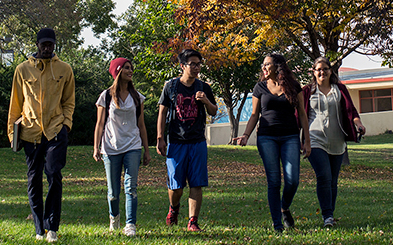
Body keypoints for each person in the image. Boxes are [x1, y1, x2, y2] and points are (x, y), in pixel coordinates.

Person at [7, 28, 75, 243]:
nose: (47, 48)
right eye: (43, 44)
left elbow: (69, 101)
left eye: (50, 44)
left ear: (55, 45)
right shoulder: (22, 70)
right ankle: (39, 228)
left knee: (54, 174)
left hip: (56, 131)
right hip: (30, 133)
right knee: (34, 180)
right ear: (37, 45)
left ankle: (52, 227)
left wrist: (66, 124)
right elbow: (15, 103)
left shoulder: (65, 69)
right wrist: (12, 133)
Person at [234, 53, 311, 232]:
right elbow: (254, 115)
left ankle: (284, 207)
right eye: (263, 65)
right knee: (274, 181)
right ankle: (277, 224)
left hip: (290, 136)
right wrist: (245, 135)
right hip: (267, 137)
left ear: (278, 66)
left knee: (292, 180)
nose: (264, 68)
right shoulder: (260, 87)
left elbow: (302, 113)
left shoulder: (293, 86)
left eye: (267, 64)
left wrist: (307, 140)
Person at [156, 49, 217, 232]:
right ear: (183, 66)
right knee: (176, 186)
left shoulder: (204, 87)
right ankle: (174, 209)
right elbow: (162, 112)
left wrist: (206, 101)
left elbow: (213, 111)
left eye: (198, 64)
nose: (196, 67)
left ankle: (193, 221)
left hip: (197, 141)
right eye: (192, 64)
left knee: (196, 182)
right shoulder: (171, 87)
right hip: (176, 141)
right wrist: (160, 137)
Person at [302, 57, 365, 227]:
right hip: (315, 140)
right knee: (324, 176)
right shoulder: (307, 91)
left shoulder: (340, 90)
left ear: (331, 71)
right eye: (318, 69)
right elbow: (299, 115)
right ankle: (327, 216)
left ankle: (330, 213)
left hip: (337, 141)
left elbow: (351, 111)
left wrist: (359, 124)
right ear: (313, 72)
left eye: (325, 69)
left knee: (333, 180)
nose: (322, 72)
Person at [93, 58, 150, 236]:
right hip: (111, 147)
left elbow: (141, 125)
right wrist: (96, 147)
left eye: (131, 68)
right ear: (117, 71)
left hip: (132, 146)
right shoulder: (106, 96)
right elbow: (100, 124)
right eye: (126, 68)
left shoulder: (137, 97)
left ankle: (130, 224)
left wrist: (146, 149)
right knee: (113, 191)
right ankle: (114, 217)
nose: (130, 71)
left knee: (131, 186)